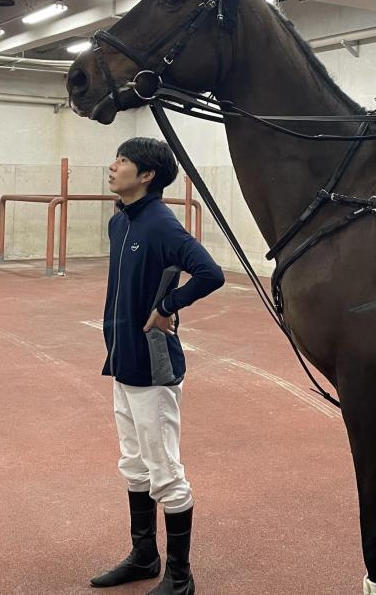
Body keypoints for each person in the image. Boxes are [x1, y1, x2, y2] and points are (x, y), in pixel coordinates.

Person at [91, 137, 224, 595]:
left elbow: (210, 272)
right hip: (122, 360)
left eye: (123, 161)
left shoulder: (162, 224)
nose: (113, 166)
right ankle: (144, 556)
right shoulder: (119, 223)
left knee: (165, 471)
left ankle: (181, 578)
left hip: (152, 366)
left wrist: (169, 304)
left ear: (146, 175)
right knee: (134, 464)